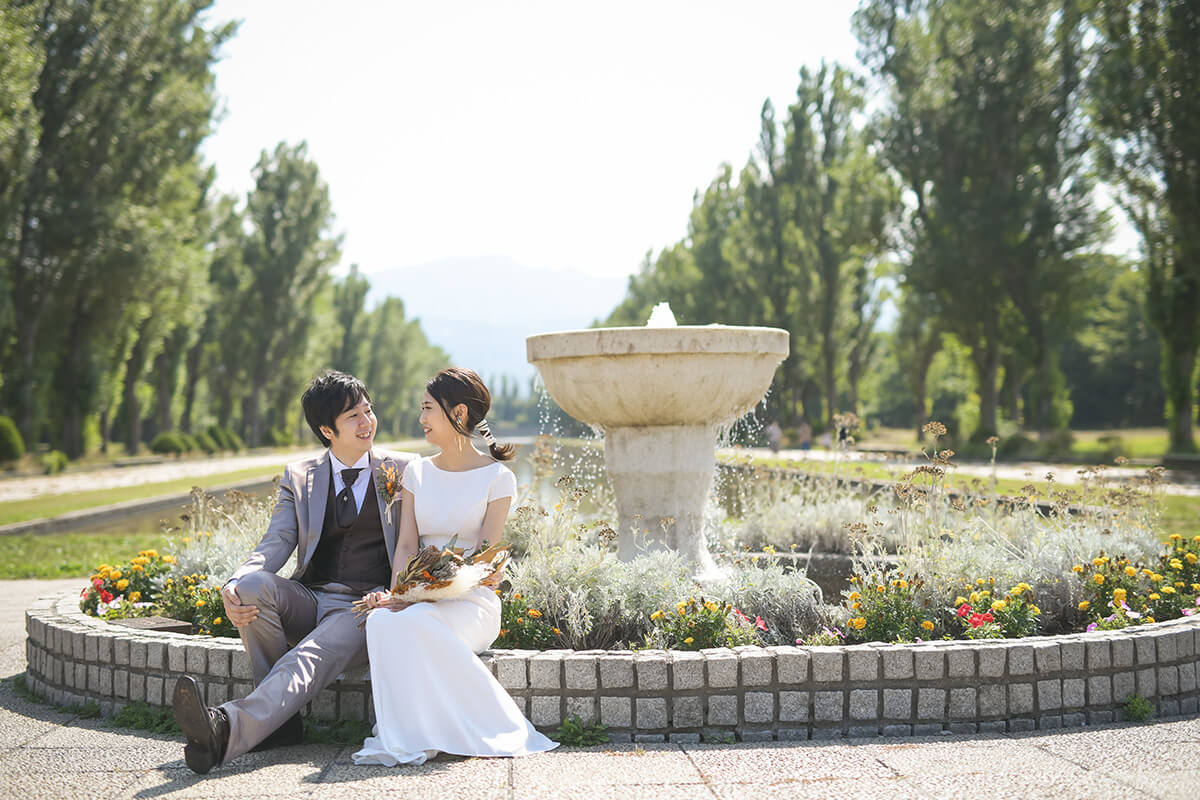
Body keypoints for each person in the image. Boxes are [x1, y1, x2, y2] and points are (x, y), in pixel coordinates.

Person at [171, 371, 416, 774]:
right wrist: (233, 582)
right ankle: (278, 724)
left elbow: (415, 545)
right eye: (353, 415)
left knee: (309, 656)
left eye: (368, 410)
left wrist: (400, 593)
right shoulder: (300, 476)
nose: (367, 421)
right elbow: (277, 541)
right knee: (250, 589)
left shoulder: (404, 470)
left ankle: (226, 728)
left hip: (364, 606)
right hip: (310, 598)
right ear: (327, 429)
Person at [352, 367, 557, 766]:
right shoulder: (417, 472)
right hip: (416, 597)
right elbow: (407, 544)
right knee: (381, 621)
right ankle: (410, 734)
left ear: (458, 413)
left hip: (470, 602)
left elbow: (484, 558)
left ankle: (457, 728)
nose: (422, 418)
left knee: (417, 622)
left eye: (428, 408)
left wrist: (424, 596)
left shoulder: (498, 477)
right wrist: (398, 595)